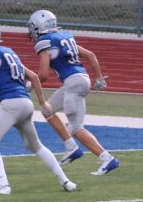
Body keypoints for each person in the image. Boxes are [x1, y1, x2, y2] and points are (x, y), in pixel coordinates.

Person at [0, 20, 78, 195]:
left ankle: (3, 185)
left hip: (11, 104)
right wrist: (42, 102)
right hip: (26, 103)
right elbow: (33, 77)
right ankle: (66, 181)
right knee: (36, 146)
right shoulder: (8, 51)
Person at [27, 9, 119, 176]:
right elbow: (90, 55)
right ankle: (71, 147)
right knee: (47, 109)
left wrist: (31, 83)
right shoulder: (65, 37)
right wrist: (99, 78)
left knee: (76, 128)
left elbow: (44, 75)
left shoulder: (44, 42)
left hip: (73, 83)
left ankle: (107, 158)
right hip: (80, 80)